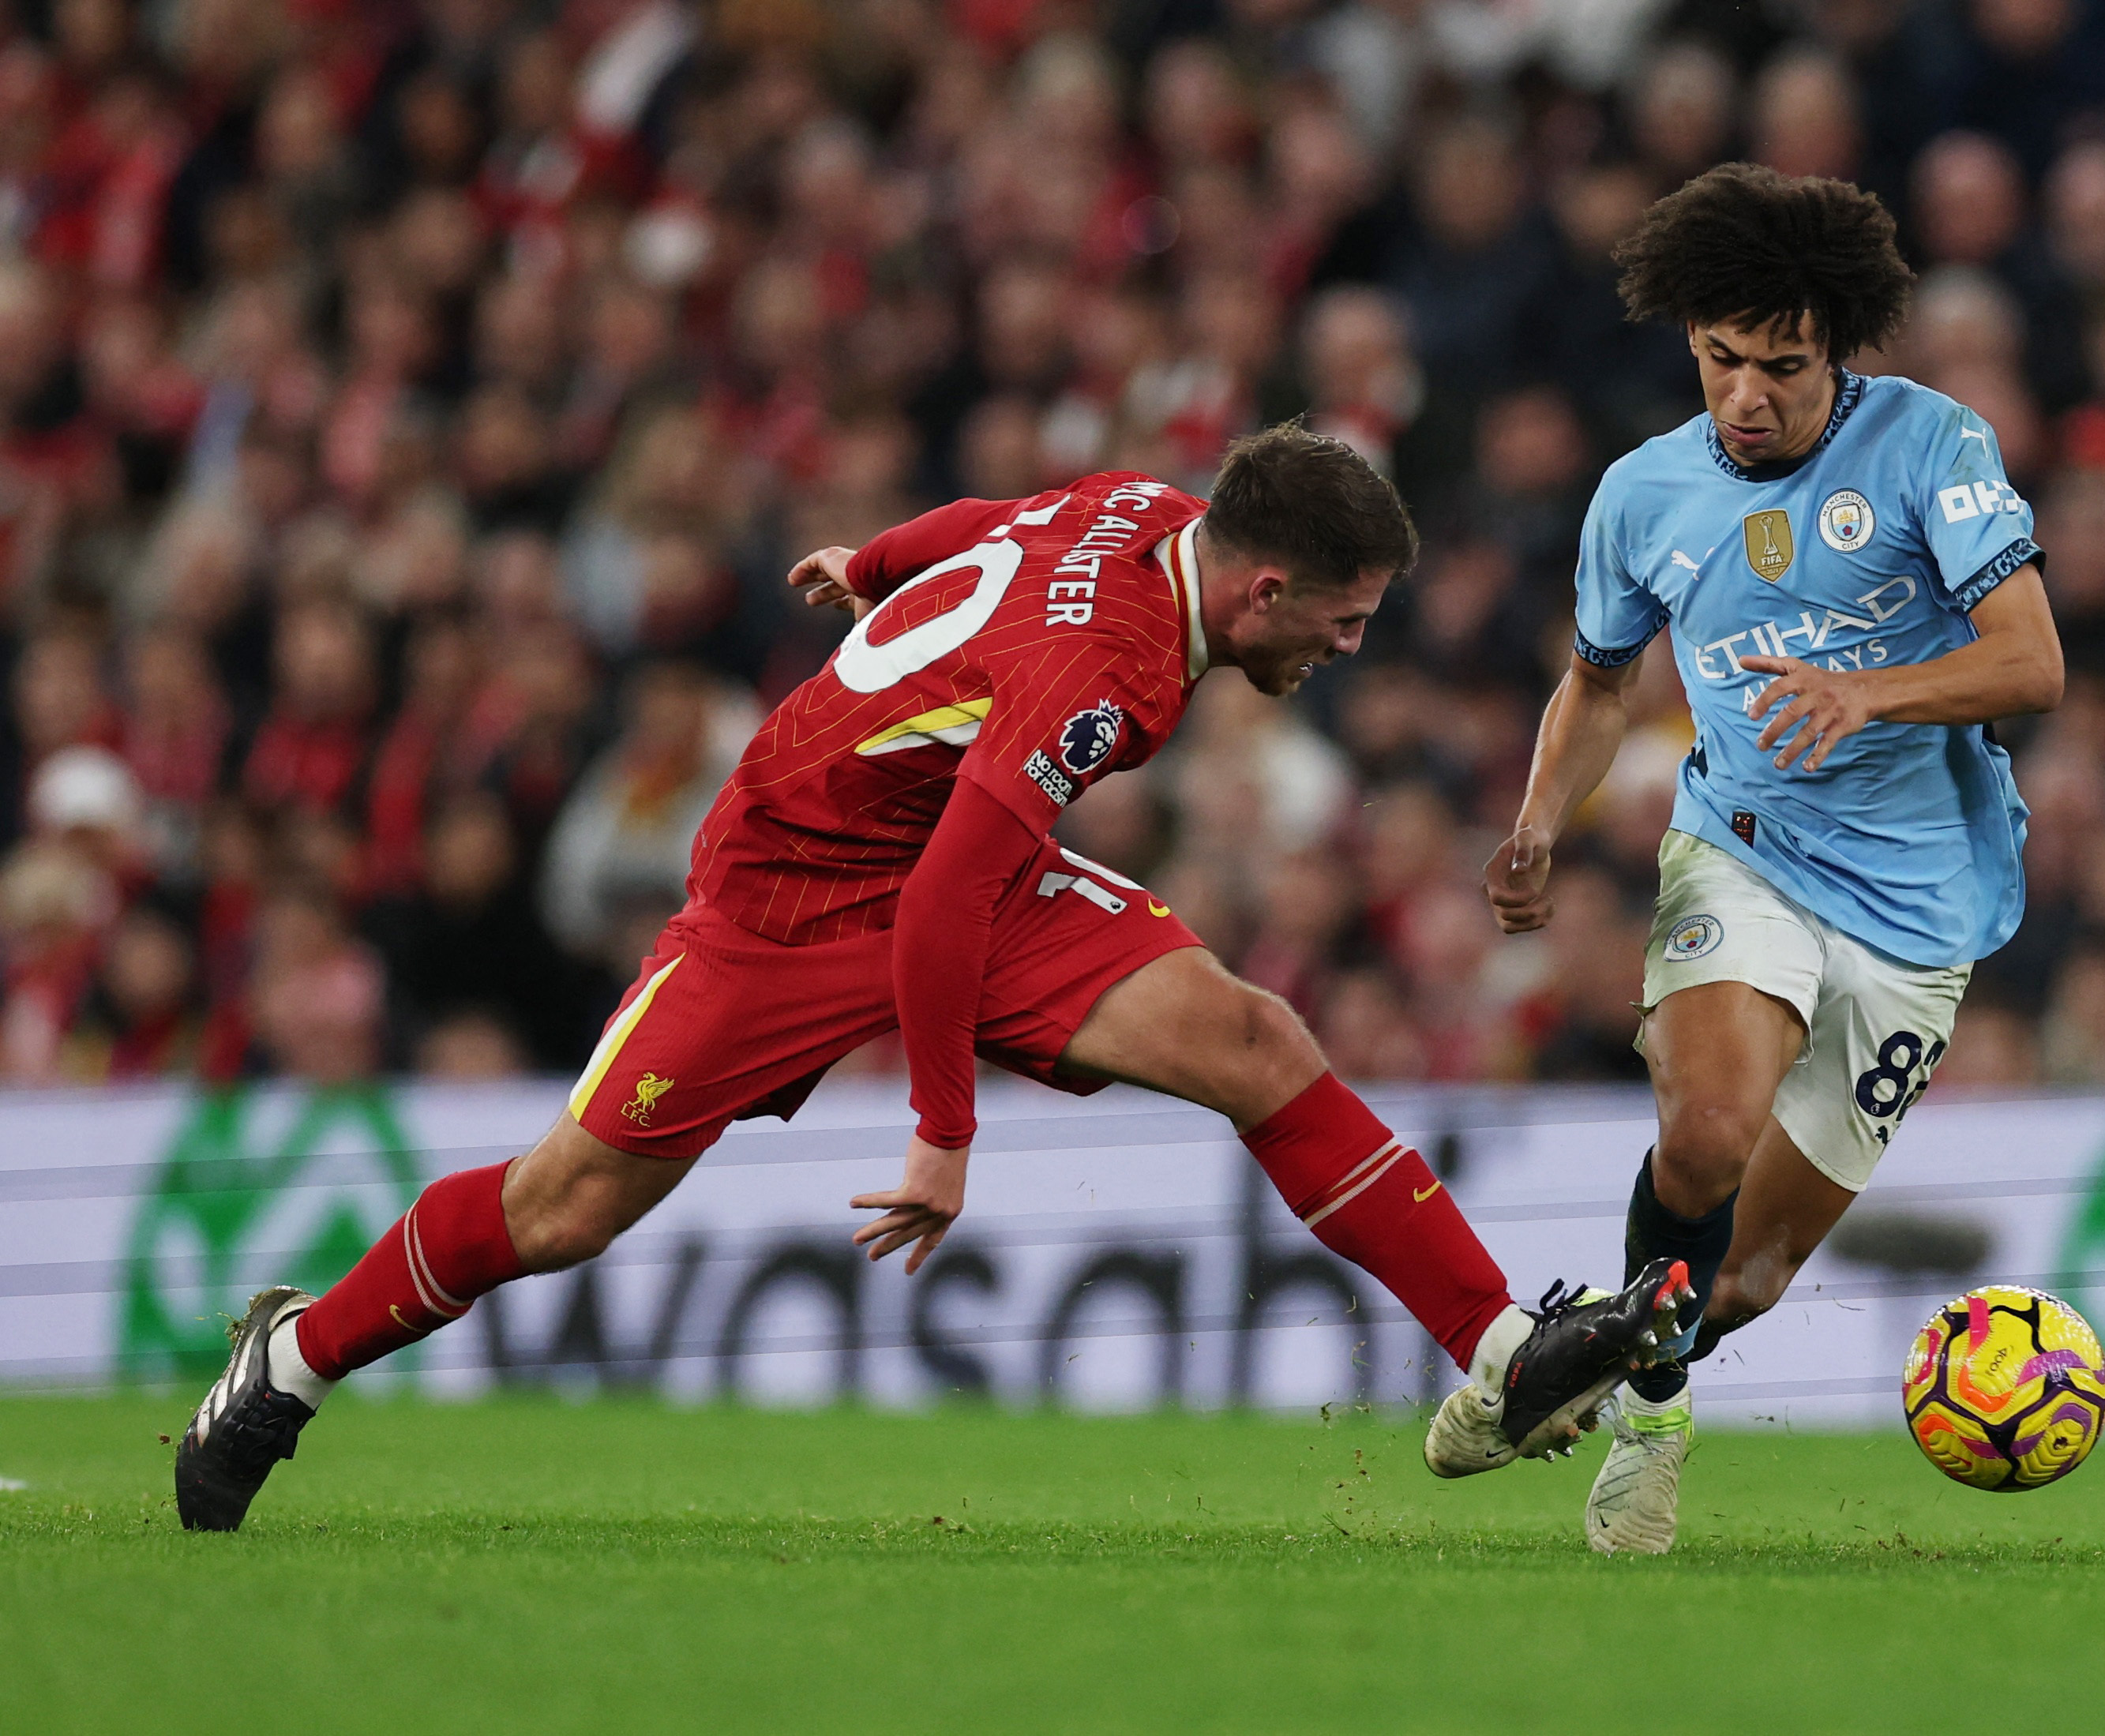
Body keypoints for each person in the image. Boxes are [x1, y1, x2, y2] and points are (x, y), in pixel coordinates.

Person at [177, 427, 1690, 1531]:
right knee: (564, 1208)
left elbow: (992, 522)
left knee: (1252, 1040)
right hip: (790, 891)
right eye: (1344, 619)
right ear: (1265, 589)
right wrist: (944, 1137)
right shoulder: (1112, 671)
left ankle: (1500, 1353)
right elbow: (948, 895)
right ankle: (294, 1356)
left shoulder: (1149, 507)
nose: (1354, 647)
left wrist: (877, 561)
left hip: (946, 854)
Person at [1484, 165, 2065, 1554]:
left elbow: (2032, 663)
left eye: (1783, 368)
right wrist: (1539, 819)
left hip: (1922, 910)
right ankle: (1651, 1430)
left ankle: (1588, 1364)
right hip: (1745, 849)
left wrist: (1871, 692)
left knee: (1741, 1278)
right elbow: (1601, 683)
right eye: (1721, 359)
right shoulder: (1642, 494)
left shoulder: (1935, 444)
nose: (1747, 396)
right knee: (1704, 1134)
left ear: (1837, 352)